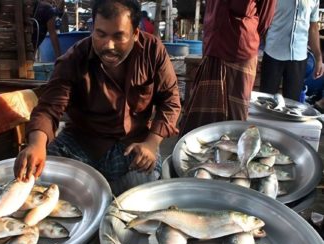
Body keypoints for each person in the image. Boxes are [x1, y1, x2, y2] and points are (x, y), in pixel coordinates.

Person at [14, 0, 181, 196]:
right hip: (82, 142)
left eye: (119, 36)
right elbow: (49, 107)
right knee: (39, 180)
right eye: (101, 34)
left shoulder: (153, 51)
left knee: (137, 194)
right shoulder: (75, 58)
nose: (108, 45)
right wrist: (36, 144)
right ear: (93, 28)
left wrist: (152, 143)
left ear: (135, 34)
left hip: (133, 143)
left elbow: (170, 101)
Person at [178, 0, 277, 137]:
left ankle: (233, 152)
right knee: (203, 112)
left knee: (235, 116)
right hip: (212, 46)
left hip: (240, 50)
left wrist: (241, 30)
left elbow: (265, 20)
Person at [260, 0, 323, 102]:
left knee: (292, 104)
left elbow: (313, 27)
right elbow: (264, 19)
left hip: (299, 58)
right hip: (273, 54)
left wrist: (319, 58)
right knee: (265, 100)